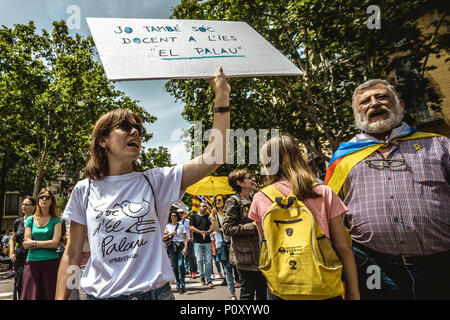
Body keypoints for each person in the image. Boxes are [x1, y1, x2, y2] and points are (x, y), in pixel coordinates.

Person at [55, 67, 230, 300]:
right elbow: (72, 253)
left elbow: (215, 156)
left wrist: (222, 94)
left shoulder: (157, 181)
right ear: (103, 140)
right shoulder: (84, 190)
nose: (135, 132)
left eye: (139, 129)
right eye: (125, 127)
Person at [324, 79, 450, 299]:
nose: (374, 103)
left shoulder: (439, 146)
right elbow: (330, 217)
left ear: (400, 104)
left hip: (440, 263)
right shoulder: (342, 160)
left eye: (382, 97)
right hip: (373, 267)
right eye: (365, 101)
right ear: (356, 116)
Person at [249, 134, 360, 300]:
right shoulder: (323, 192)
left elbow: (267, 245)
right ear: (298, 157)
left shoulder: (260, 198)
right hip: (323, 284)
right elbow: (343, 247)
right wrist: (353, 293)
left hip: (281, 287)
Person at [223, 168, 267, 300]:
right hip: (245, 257)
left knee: (263, 292)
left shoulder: (255, 199)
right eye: (249, 177)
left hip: (261, 254)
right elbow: (227, 228)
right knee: (247, 293)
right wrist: (252, 226)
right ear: (240, 183)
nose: (252, 179)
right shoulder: (233, 201)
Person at [21, 189, 62, 300]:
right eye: (41, 197)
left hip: (51, 262)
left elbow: (54, 244)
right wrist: (44, 243)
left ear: (52, 201)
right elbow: (26, 244)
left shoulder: (57, 220)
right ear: (38, 200)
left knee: (49, 295)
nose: (44, 199)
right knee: (30, 296)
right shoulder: (30, 220)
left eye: (47, 197)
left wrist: (34, 243)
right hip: (32, 262)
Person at [9, 196, 36, 300]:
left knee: (31, 283)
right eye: (23, 204)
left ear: (33, 207)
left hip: (32, 255)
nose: (24, 206)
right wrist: (11, 253)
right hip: (19, 256)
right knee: (19, 283)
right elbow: (12, 239)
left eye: (27, 204)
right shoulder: (18, 221)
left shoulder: (37, 221)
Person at [211, 194, 237, 300]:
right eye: (216, 200)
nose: (217, 201)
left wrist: (226, 229)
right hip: (221, 243)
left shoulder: (228, 213)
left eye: (220, 200)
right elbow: (216, 229)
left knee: (238, 266)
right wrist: (213, 216)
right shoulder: (213, 215)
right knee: (227, 269)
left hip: (232, 242)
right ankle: (232, 293)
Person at [190, 202, 214, 287]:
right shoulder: (194, 216)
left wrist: (207, 232)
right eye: (203, 206)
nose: (204, 208)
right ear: (199, 207)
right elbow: (191, 227)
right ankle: (202, 277)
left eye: (205, 206)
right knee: (199, 260)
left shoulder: (208, 216)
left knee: (208, 261)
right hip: (197, 242)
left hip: (207, 241)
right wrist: (200, 232)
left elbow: (213, 227)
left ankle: (209, 279)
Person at [163, 210, 188, 292]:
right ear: (170, 217)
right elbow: (163, 238)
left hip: (180, 246)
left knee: (181, 265)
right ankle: (178, 283)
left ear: (177, 217)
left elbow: (185, 238)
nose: (173, 217)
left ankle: (183, 283)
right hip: (171, 246)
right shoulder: (167, 226)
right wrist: (170, 234)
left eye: (175, 215)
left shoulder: (181, 226)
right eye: (172, 215)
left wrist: (185, 248)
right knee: (175, 266)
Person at [178, 209, 197, 279]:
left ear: (184, 213)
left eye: (181, 213)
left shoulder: (187, 221)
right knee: (181, 258)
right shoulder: (176, 222)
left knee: (190, 257)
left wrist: (192, 237)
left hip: (188, 241)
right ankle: (184, 271)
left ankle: (193, 272)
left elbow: (191, 230)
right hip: (180, 242)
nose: (180, 214)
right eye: (179, 213)